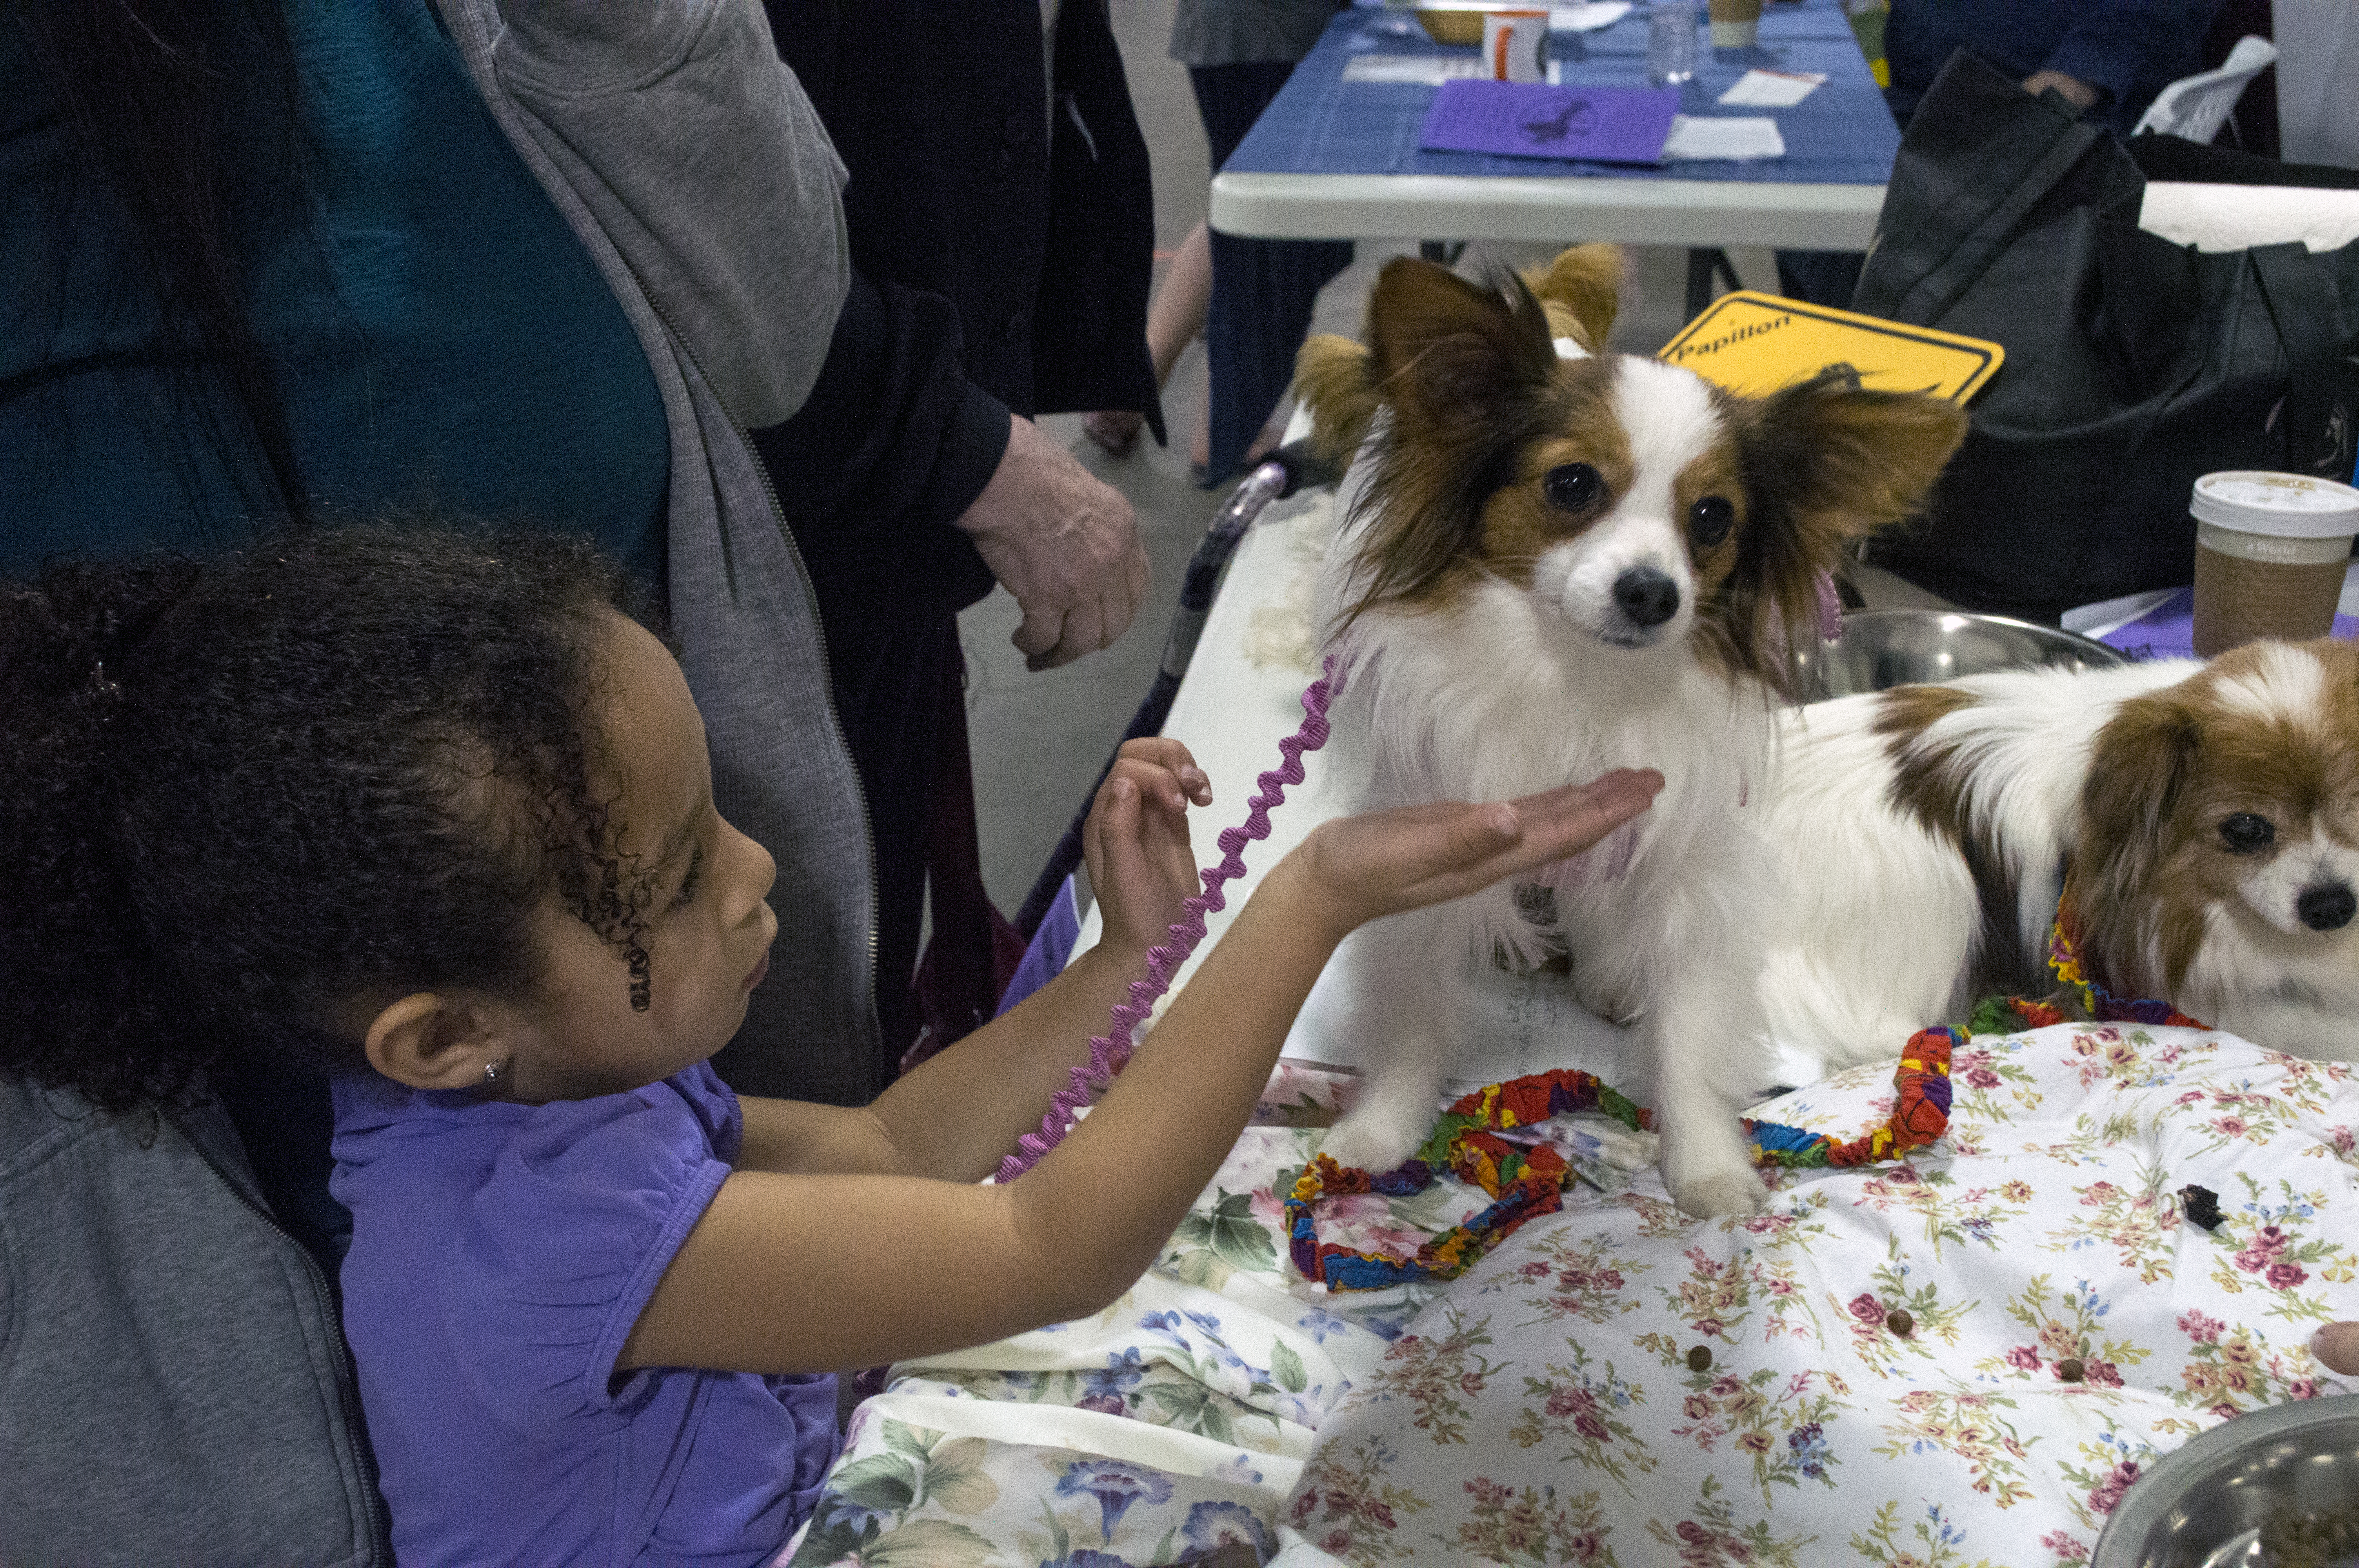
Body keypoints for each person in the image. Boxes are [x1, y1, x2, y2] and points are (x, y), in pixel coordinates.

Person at [0, 526, 1665, 1563]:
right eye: (672, 875)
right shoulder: (535, 1237)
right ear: (444, 1035)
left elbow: (886, 1153)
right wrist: (1309, 899)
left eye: (714, 811)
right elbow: (1044, 1240)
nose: (754, 874)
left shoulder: (541, 1096)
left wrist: (1134, 965)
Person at [757, 0, 1165, 1073]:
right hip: (762, 517)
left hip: (899, 482)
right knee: (785, 1021)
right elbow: (689, 214)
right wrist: (961, 442)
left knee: (874, 962)